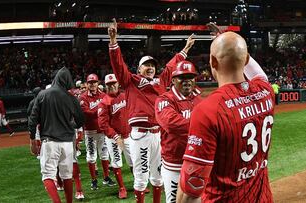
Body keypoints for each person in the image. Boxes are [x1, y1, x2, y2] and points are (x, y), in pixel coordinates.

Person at [176, 32, 275, 203]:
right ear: (246, 60)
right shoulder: (266, 92)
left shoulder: (207, 110)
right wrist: (232, 44)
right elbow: (259, 74)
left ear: (213, 62)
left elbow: (191, 190)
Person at [108, 19, 195, 203]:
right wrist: (113, 42)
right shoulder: (130, 81)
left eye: (153, 65)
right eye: (146, 65)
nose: (150, 68)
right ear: (139, 69)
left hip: (158, 134)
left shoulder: (161, 81)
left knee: (157, 175)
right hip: (140, 134)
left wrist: (185, 50)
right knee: (141, 177)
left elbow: (172, 66)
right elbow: (118, 65)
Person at [28, 67, 85, 203]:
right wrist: (70, 125)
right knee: (66, 176)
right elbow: (81, 120)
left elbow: (32, 119)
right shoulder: (71, 98)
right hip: (67, 143)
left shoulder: (42, 94)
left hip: (50, 141)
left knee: (47, 176)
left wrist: (32, 140)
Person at [155, 60, 203, 203]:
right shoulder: (164, 100)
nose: (187, 81)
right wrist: (203, 126)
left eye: (190, 77)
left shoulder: (198, 100)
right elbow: (171, 124)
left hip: (196, 162)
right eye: (182, 77)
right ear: (174, 79)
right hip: (174, 164)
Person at [98, 74, 133, 199]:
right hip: (114, 138)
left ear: (118, 83)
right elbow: (103, 124)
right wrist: (114, 136)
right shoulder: (104, 102)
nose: (112, 86)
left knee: (133, 161)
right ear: (106, 86)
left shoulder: (125, 95)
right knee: (117, 163)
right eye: (109, 84)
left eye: (114, 83)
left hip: (128, 135)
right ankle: (122, 188)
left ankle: (138, 183)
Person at [79, 73, 115, 190]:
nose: (92, 84)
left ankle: (106, 177)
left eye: (94, 82)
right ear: (87, 84)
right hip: (90, 131)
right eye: (90, 83)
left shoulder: (103, 95)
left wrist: (99, 111)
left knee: (104, 154)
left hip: (102, 130)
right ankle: (94, 180)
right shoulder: (83, 97)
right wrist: (100, 111)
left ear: (98, 83)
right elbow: (86, 113)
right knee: (91, 156)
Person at [27, 87, 42, 156]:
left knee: (37, 137)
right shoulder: (43, 100)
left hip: (35, 122)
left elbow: (28, 112)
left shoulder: (32, 102)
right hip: (43, 122)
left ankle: (38, 152)